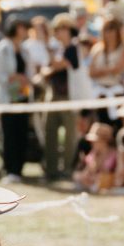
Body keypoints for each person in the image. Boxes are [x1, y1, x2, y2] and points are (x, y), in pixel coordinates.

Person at [0, 15, 31, 183]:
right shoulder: (0, 50)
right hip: (7, 98)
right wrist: (14, 78)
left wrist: (25, 79)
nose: (25, 30)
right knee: (10, 133)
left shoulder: (24, 49)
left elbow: (29, 72)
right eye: (22, 27)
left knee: (22, 132)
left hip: (23, 96)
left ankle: (19, 169)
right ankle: (10, 169)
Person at [39, 14, 81, 181]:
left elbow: (55, 66)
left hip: (68, 96)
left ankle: (68, 170)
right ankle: (51, 170)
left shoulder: (73, 48)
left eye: (59, 29)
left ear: (67, 29)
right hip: (54, 94)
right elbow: (51, 67)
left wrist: (47, 69)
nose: (56, 32)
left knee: (70, 135)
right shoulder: (60, 49)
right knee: (49, 131)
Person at [88, 15, 124, 117]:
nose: (109, 33)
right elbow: (91, 72)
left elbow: (118, 69)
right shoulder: (97, 49)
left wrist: (101, 71)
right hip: (100, 93)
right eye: (107, 29)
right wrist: (109, 70)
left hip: (118, 92)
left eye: (112, 29)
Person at [74, 120, 118, 192]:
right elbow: (84, 173)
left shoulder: (114, 155)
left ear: (104, 141)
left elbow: (109, 175)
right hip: (93, 184)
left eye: (95, 140)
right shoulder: (93, 154)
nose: (92, 143)